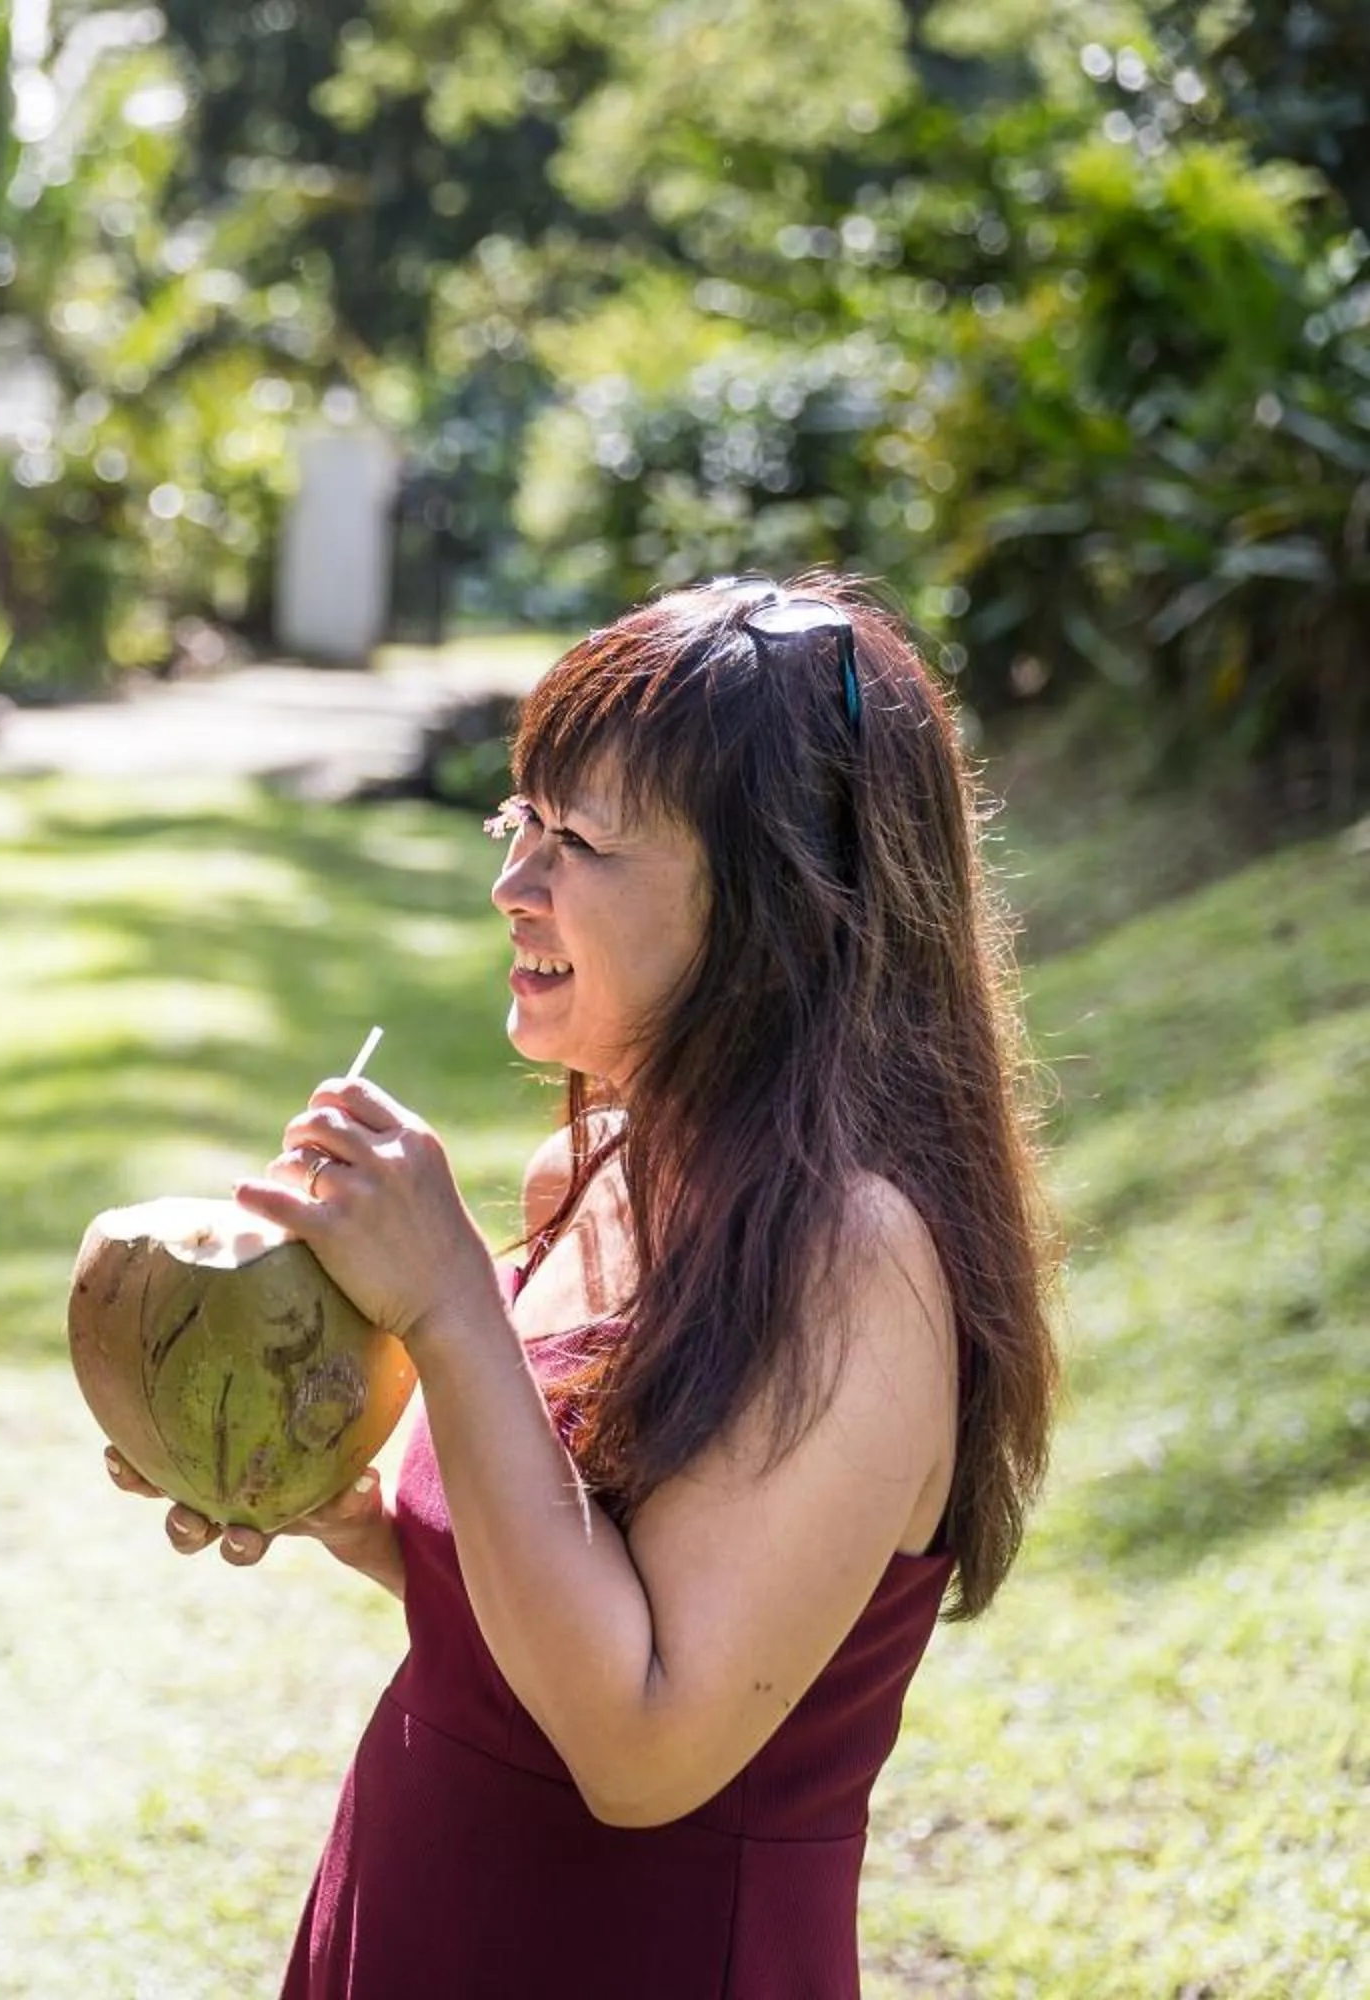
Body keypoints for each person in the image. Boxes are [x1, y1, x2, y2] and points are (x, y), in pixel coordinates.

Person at [111, 576, 1060, 1996]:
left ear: (780, 897)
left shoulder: (861, 1263)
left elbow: (641, 1745)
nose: (514, 885)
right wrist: (362, 1522)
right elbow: (557, 1603)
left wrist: (447, 1307)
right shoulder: (601, 1170)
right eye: (521, 823)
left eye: (581, 841)